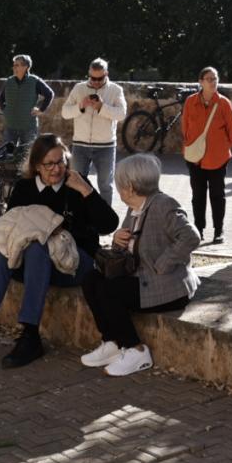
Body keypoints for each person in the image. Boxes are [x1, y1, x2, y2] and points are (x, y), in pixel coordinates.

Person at [0, 134, 117, 370]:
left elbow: (109, 224)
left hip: (73, 264)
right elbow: (11, 232)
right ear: (37, 166)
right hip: (33, 266)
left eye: (61, 162)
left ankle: (30, 335)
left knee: (38, 247)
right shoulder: (24, 188)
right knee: (3, 253)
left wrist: (85, 191)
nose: (56, 169)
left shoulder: (76, 185)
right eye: (49, 164)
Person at [77, 153, 200, 377]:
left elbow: (191, 237)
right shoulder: (135, 207)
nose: (119, 188)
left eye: (120, 184)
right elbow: (124, 250)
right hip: (142, 279)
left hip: (168, 286)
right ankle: (113, 343)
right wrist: (117, 240)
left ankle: (137, 350)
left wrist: (162, 263)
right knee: (90, 279)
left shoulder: (164, 205)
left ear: (130, 187)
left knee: (109, 291)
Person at [179, 67, 232, 244]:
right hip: (194, 158)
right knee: (198, 195)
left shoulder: (224, 103)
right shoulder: (190, 102)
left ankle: (218, 230)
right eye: (209, 79)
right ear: (201, 82)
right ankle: (199, 229)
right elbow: (185, 128)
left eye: (215, 78)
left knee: (217, 195)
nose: (213, 82)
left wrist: (220, 148)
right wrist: (191, 145)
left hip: (218, 158)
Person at [64, 59, 127, 204]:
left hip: (105, 146)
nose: (96, 82)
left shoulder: (116, 90)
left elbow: (121, 115)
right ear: (89, 74)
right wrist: (80, 106)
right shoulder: (79, 88)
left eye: (100, 78)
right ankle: (77, 217)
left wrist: (101, 107)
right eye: (93, 78)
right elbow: (65, 113)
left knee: (105, 186)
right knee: (76, 184)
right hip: (80, 145)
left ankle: (105, 222)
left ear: (106, 74)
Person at [0, 55, 53, 156]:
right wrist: (6, 111)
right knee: (7, 156)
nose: (14, 68)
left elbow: (49, 94)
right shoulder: (9, 81)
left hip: (28, 127)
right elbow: (1, 99)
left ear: (26, 67)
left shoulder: (34, 81)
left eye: (17, 65)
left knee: (28, 157)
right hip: (10, 126)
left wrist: (41, 109)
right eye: (14, 65)